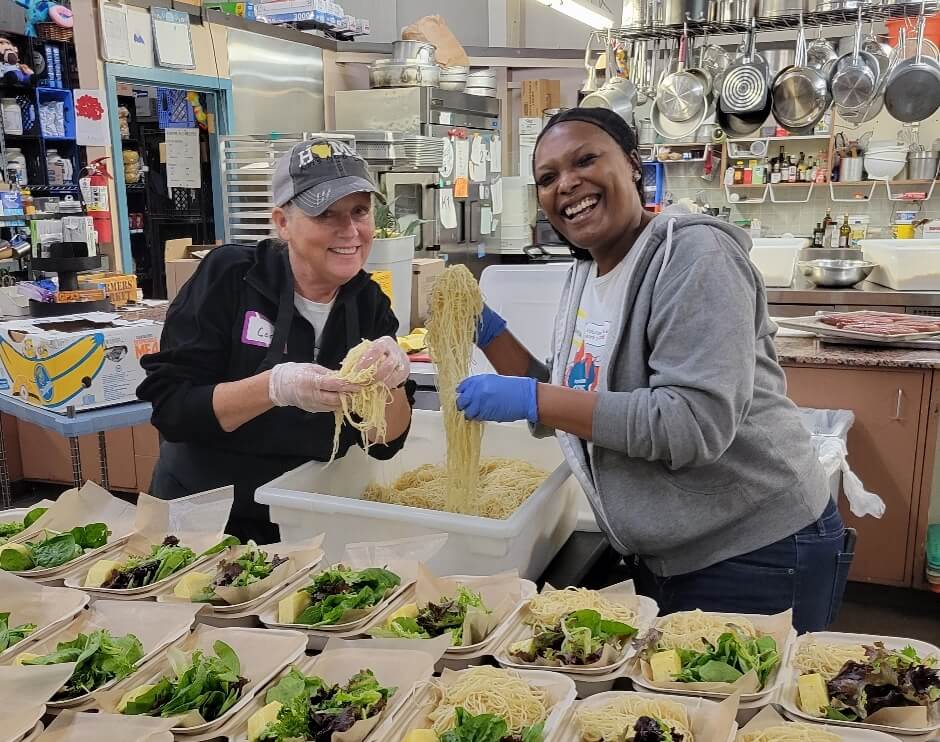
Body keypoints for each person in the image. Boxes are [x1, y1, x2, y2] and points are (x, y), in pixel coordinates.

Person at [456, 108, 852, 632]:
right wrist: (491, 334)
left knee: (749, 713)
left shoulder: (693, 256)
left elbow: (691, 424)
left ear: (634, 166)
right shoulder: (588, 273)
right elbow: (578, 399)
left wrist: (532, 398)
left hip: (755, 550)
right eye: (547, 178)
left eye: (586, 159)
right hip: (669, 557)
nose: (567, 184)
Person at [138, 138, 414, 542]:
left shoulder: (367, 302)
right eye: (326, 213)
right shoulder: (231, 277)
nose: (350, 231)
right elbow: (173, 408)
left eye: (359, 211)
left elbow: (384, 443)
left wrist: (392, 382)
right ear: (282, 222)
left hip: (304, 520)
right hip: (203, 521)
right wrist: (274, 387)